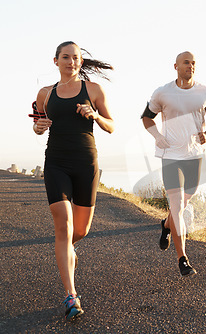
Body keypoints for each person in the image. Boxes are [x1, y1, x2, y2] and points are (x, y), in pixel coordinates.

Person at [32, 41, 114, 320]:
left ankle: (65, 250)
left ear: (80, 62)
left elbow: (112, 125)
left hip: (86, 163)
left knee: (81, 230)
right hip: (55, 162)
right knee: (63, 227)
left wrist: (96, 116)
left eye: (75, 57)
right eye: (65, 57)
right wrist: (37, 127)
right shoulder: (46, 94)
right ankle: (71, 296)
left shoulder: (93, 90)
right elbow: (38, 123)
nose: (71, 61)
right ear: (55, 61)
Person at [141, 51, 206, 277]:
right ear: (175, 66)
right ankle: (182, 259)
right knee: (177, 207)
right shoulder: (163, 92)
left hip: (194, 155)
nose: (191, 66)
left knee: (182, 205)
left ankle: (166, 225)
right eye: (187, 62)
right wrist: (157, 136)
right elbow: (146, 117)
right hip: (170, 155)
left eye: (194, 63)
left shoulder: (204, 92)